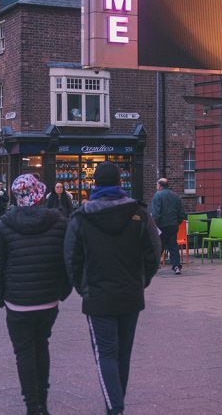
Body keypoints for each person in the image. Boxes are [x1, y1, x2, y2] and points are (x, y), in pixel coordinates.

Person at [65, 161, 161, 415]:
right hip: (131, 293)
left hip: (98, 296)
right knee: (122, 354)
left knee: (105, 354)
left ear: (94, 184)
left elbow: (71, 258)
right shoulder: (139, 213)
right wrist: (142, 281)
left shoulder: (82, 217)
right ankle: (116, 404)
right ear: (121, 182)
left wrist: (82, 286)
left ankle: (115, 407)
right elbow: (154, 252)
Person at [0, 174, 71, 415]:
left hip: (17, 302)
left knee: (24, 352)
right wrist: (62, 291)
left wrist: (0, 297)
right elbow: (70, 259)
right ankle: (42, 401)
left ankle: (32, 406)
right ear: (40, 195)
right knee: (41, 346)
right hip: (48, 300)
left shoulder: (3, 226)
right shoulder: (59, 222)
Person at [150, 177, 186, 275]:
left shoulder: (157, 196)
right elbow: (182, 213)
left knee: (158, 246)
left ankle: (154, 266)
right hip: (173, 225)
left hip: (161, 226)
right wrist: (176, 222)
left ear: (160, 185)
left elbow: (156, 213)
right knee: (173, 246)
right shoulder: (175, 196)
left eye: (157, 184)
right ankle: (176, 266)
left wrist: (153, 225)